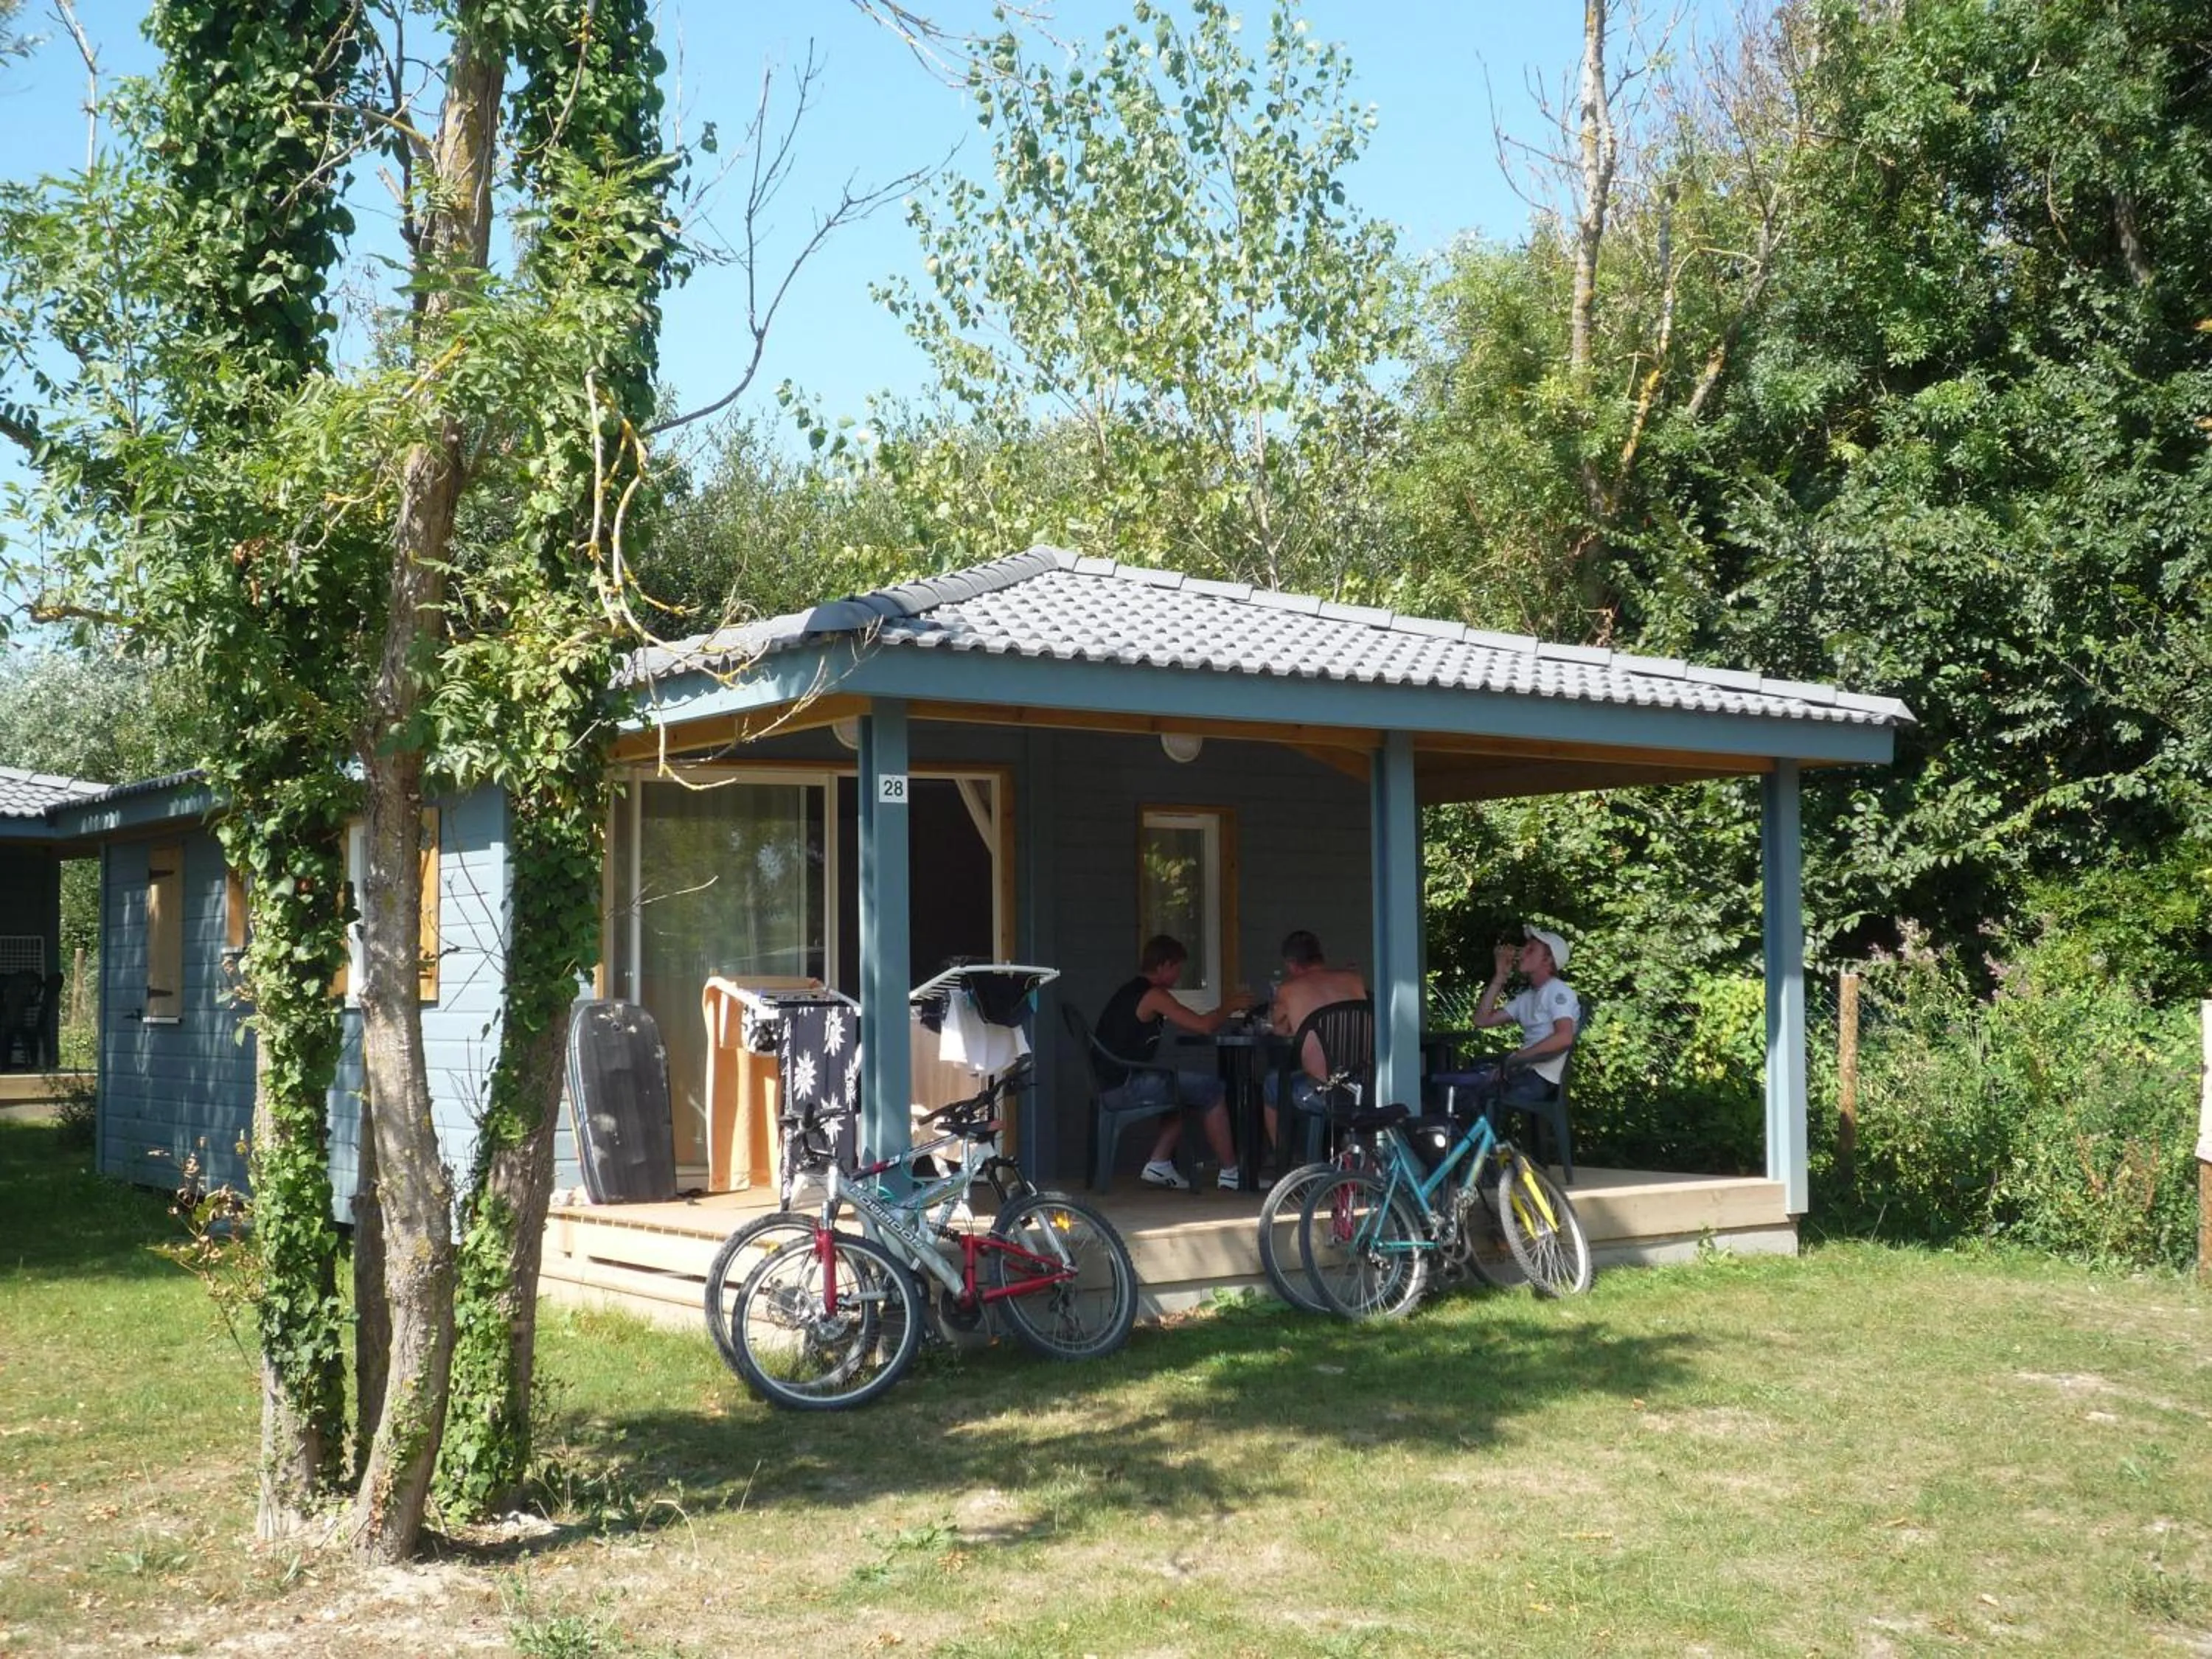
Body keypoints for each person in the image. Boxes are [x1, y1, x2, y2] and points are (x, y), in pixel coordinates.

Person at [1093, 935, 1253, 1190]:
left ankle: (1160, 1162)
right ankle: (1231, 1172)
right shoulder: (1153, 995)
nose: (1179, 975)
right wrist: (1229, 1006)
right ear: (1164, 966)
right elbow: (1204, 1026)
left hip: (1110, 1083)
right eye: (1177, 968)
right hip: (1125, 1085)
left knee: (1187, 1087)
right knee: (1211, 1089)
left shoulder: (1130, 990)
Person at [1449, 923, 1580, 1110]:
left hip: (1541, 1080)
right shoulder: (1528, 997)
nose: (1522, 952)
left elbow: (1564, 1037)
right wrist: (1500, 976)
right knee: (1458, 1086)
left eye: (1531, 949)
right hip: (1524, 1072)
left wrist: (1516, 1059)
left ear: (1547, 961)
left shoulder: (1558, 990)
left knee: (1470, 1096)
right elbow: (1481, 1020)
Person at [1262, 930, 1368, 1147]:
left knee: (1273, 1084)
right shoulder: (1353, 981)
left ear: (1291, 964)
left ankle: (1286, 1167)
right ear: (1320, 957)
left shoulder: (1288, 989)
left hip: (1323, 1091)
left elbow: (1279, 1030)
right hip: (1365, 1086)